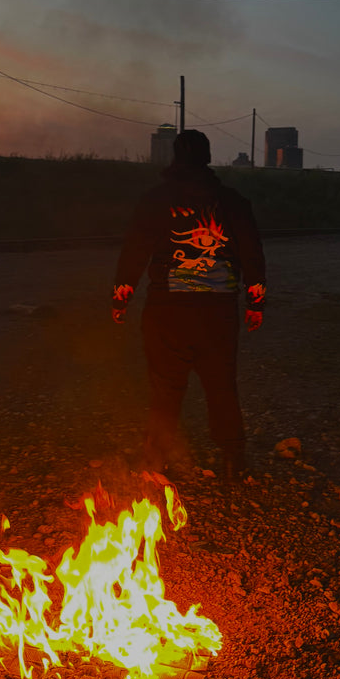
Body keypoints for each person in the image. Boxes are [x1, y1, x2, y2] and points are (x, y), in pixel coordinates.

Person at [112, 129, 266, 480]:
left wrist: (121, 296)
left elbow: (135, 250)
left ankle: (155, 459)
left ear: (175, 158)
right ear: (208, 157)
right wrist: (256, 303)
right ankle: (232, 459)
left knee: (166, 385)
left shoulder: (155, 200)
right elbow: (252, 254)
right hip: (219, 311)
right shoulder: (233, 202)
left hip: (168, 310)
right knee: (221, 384)